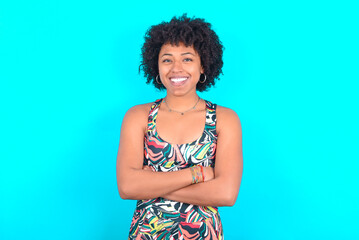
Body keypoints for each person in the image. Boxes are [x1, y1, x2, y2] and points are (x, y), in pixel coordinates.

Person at [116, 14, 243, 239]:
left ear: (203, 65)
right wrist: (197, 174)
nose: (176, 68)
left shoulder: (225, 119)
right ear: (156, 65)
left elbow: (226, 194)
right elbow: (127, 187)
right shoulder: (138, 117)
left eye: (187, 59)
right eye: (167, 60)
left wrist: (152, 183)